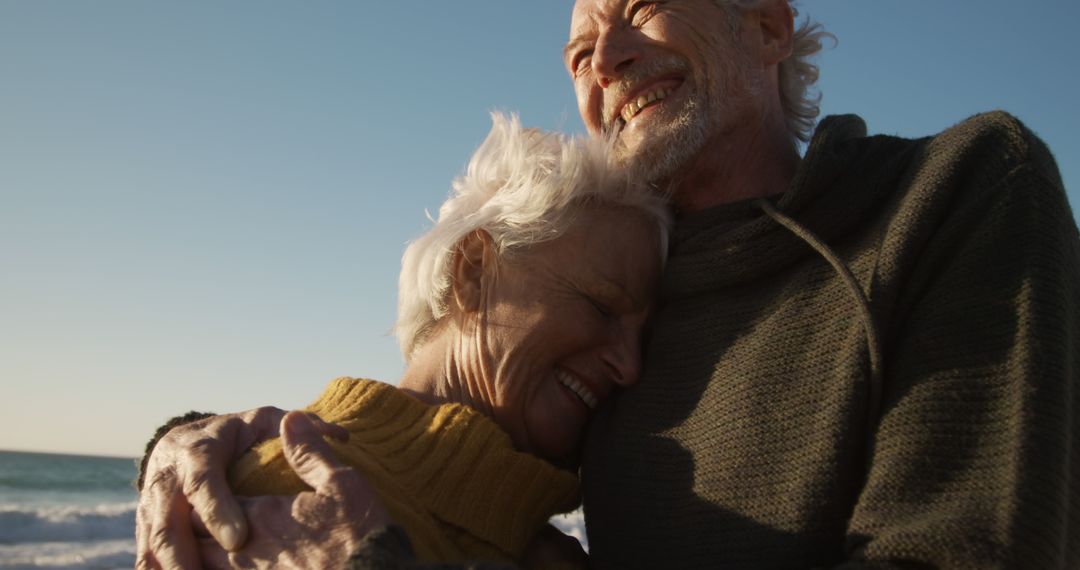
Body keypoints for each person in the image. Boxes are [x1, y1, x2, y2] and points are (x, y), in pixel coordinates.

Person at [139, 0, 1080, 568]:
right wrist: (185, 448)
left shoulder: (956, 189)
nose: (606, 59)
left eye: (641, 3)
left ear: (765, 26)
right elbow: (445, 448)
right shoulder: (629, 301)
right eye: (579, 50)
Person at [134, 114, 670, 569]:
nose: (630, 366)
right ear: (473, 272)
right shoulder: (288, 500)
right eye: (601, 308)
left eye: (642, 336)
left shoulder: (530, 537)